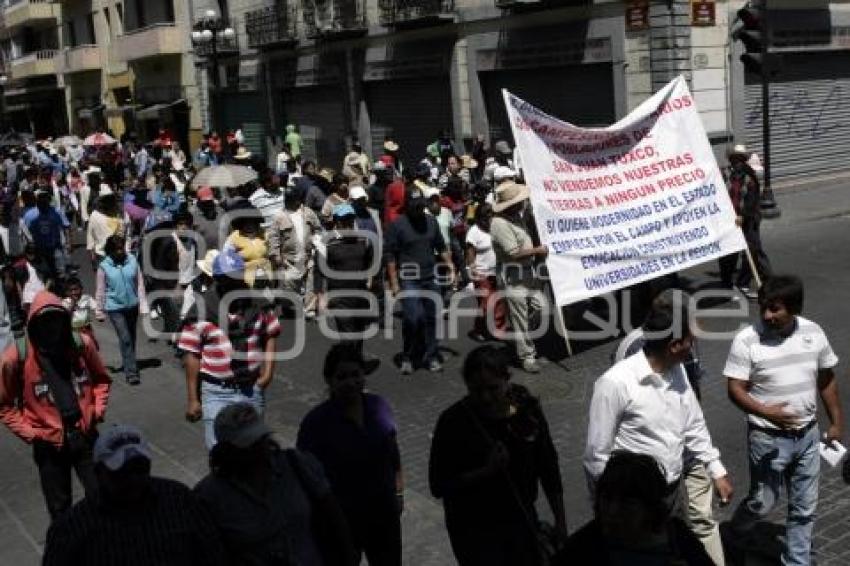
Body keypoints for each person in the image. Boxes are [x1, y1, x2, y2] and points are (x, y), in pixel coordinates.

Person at [584, 301, 734, 531]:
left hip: (672, 491)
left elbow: (693, 422)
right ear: (674, 345)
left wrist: (716, 469)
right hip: (634, 503)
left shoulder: (677, 369)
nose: (693, 347)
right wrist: (610, 509)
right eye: (690, 341)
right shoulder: (614, 384)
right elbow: (596, 457)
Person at [725, 275, 842, 565]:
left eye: (775, 309)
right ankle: (736, 531)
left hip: (808, 436)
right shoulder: (746, 339)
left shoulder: (814, 332)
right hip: (767, 439)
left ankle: (796, 561)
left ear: (795, 308)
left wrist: (836, 422)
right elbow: (734, 389)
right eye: (764, 307)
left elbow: (826, 379)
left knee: (804, 507)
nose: (767, 315)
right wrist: (766, 412)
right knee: (762, 501)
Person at [611, 289, 723, 565]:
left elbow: (691, 408)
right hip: (646, 479)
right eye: (690, 325)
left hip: (686, 455)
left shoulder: (680, 358)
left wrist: (714, 466)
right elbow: (598, 452)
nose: (696, 336)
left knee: (700, 522)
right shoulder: (626, 364)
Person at [429, 346, 567, 566]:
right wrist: (484, 472)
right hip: (477, 536)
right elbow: (439, 485)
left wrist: (561, 522)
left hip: (522, 524)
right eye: (476, 390)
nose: (485, 397)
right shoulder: (453, 422)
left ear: (507, 379)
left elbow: (548, 465)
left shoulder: (525, 407)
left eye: (493, 388)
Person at [195, 402, 356, 566]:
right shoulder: (209, 496)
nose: (259, 447)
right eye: (249, 444)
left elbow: (335, 517)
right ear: (227, 451)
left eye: (261, 438)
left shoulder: (297, 465)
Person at [42, 425, 227, 566]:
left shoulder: (179, 499)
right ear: (99, 473)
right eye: (121, 472)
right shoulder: (73, 528)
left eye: (140, 468)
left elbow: (213, 553)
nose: (134, 479)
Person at [0, 290, 110, 519]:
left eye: (56, 320)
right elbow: (4, 404)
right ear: (34, 324)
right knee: (60, 510)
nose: (52, 327)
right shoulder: (15, 357)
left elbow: (101, 379)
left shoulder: (81, 344)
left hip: (85, 435)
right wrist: (31, 433)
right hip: (49, 445)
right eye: (45, 321)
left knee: (103, 498)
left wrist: (96, 410)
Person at [298, 343, 402, 566]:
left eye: (356, 375)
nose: (350, 383)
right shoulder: (315, 423)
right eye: (342, 376)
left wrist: (399, 493)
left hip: (383, 513)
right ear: (329, 380)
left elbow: (393, 453)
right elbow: (306, 476)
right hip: (340, 521)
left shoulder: (379, 406)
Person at [178, 250, 280, 448]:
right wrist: (192, 398)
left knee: (254, 450)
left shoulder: (259, 304)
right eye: (227, 278)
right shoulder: (202, 309)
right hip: (216, 391)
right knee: (219, 451)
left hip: (251, 388)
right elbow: (191, 354)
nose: (233, 282)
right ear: (217, 280)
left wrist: (266, 375)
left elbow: (271, 334)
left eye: (237, 276)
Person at [557, 451, 714, 565]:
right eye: (607, 499)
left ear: (650, 508)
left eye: (627, 503)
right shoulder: (583, 548)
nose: (612, 511)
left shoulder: (679, 539)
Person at [384, 195, 455, 374]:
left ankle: (431, 356)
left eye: (421, 206)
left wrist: (451, 266)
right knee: (412, 319)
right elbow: (390, 255)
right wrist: (393, 282)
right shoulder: (397, 225)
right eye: (415, 206)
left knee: (432, 318)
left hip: (431, 277)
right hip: (409, 279)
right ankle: (407, 356)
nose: (419, 210)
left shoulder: (431, 222)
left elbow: (441, 246)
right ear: (407, 206)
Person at [489, 180, 547, 373]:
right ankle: (527, 356)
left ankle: (524, 339)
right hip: (513, 276)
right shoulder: (499, 223)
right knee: (520, 316)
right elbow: (513, 253)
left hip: (528, 272)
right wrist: (537, 250)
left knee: (540, 308)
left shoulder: (517, 217)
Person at [316, 204, 375, 353]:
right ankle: (349, 366)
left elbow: (370, 261)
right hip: (339, 297)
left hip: (360, 294)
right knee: (348, 335)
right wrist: (320, 296)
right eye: (344, 220)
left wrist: (369, 279)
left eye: (350, 219)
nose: (348, 223)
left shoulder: (364, 240)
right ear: (337, 221)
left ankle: (356, 361)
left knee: (359, 330)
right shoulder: (326, 243)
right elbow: (318, 271)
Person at [719, 144, 771, 298]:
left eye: (741, 159)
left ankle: (743, 282)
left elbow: (752, 199)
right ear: (731, 159)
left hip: (748, 220)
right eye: (735, 158)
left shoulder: (750, 176)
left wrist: (744, 215)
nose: (738, 162)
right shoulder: (724, 174)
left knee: (752, 249)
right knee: (728, 252)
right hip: (728, 219)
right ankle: (726, 282)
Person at [95, 234, 148, 385]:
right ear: (110, 250)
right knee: (125, 338)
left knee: (131, 338)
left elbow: (139, 284)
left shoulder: (132, 260)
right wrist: (99, 310)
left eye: (121, 248)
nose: (120, 251)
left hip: (132, 306)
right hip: (115, 308)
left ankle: (128, 361)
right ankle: (131, 372)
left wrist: (143, 305)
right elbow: (100, 290)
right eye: (116, 249)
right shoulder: (104, 266)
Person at [268, 184, 322, 318]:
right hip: (289, 259)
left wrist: (317, 242)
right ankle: (288, 306)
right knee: (288, 284)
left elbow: (318, 229)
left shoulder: (308, 213)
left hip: (308, 256)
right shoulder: (279, 216)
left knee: (310, 284)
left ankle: (310, 309)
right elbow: (274, 237)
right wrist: (275, 254)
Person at [465, 203, 506, 342]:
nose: (489, 220)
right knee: (486, 304)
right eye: (486, 217)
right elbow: (470, 252)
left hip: (497, 271)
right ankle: (479, 329)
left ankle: (499, 330)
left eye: (491, 216)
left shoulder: (495, 228)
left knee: (499, 302)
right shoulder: (474, 231)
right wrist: (472, 268)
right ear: (479, 218)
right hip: (481, 273)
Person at [62, 276, 97, 345]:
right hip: (73, 331)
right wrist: (72, 305)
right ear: (67, 292)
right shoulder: (65, 302)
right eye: (71, 291)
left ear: (81, 289)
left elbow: (96, 307)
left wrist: (99, 313)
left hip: (86, 328)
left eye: (76, 289)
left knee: (92, 345)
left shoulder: (86, 298)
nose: (74, 293)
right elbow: (65, 316)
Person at [190, 186, 222, 252]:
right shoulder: (192, 213)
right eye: (205, 202)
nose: (208, 203)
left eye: (210, 201)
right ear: (198, 200)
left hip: (220, 252)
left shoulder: (220, 211)